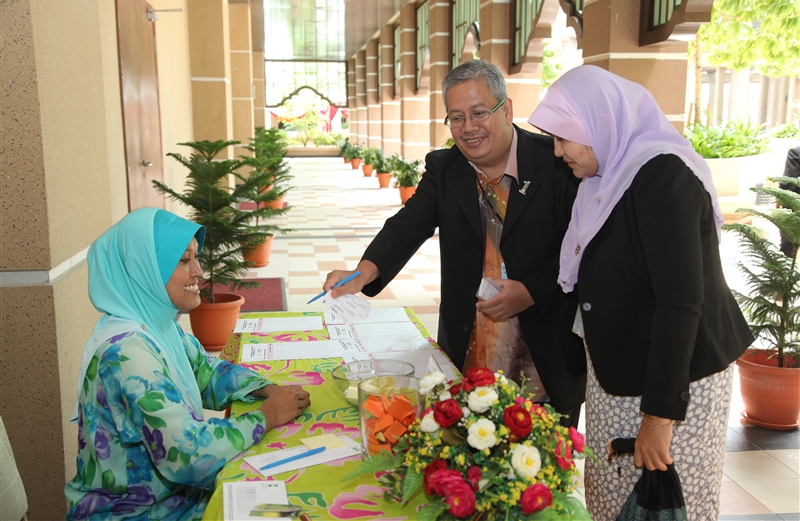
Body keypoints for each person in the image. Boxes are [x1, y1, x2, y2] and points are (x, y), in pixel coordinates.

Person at [528, 65, 754, 520]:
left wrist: (658, 418)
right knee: (613, 502)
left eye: (563, 138)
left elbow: (679, 302)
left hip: (677, 381)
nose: (557, 153)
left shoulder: (663, 177)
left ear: (598, 122)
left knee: (670, 504)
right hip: (618, 372)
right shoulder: (600, 181)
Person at [322, 59, 585, 426]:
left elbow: (583, 247)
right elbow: (408, 224)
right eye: (456, 117)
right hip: (469, 341)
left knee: (537, 467)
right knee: (467, 455)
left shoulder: (557, 163)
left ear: (506, 109)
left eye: (479, 113)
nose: (468, 128)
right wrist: (363, 272)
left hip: (544, 346)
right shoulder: (446, 168)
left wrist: (532, 291)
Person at [65, 208, 311, 520]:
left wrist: (268, 389)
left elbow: (207, 373)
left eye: (196, 257)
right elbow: (188, 456)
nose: (199, 272)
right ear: (144, 271)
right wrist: (266, 416)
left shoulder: (157, 326)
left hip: (178, 498)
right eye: (184, 261)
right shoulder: (127, 353)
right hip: (138, 512)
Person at [779, 145, 799, 258]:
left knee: (788, 250)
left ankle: (786, 274)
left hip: (796, 210)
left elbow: (788, 183)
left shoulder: (796, 153)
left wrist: (779, 197)